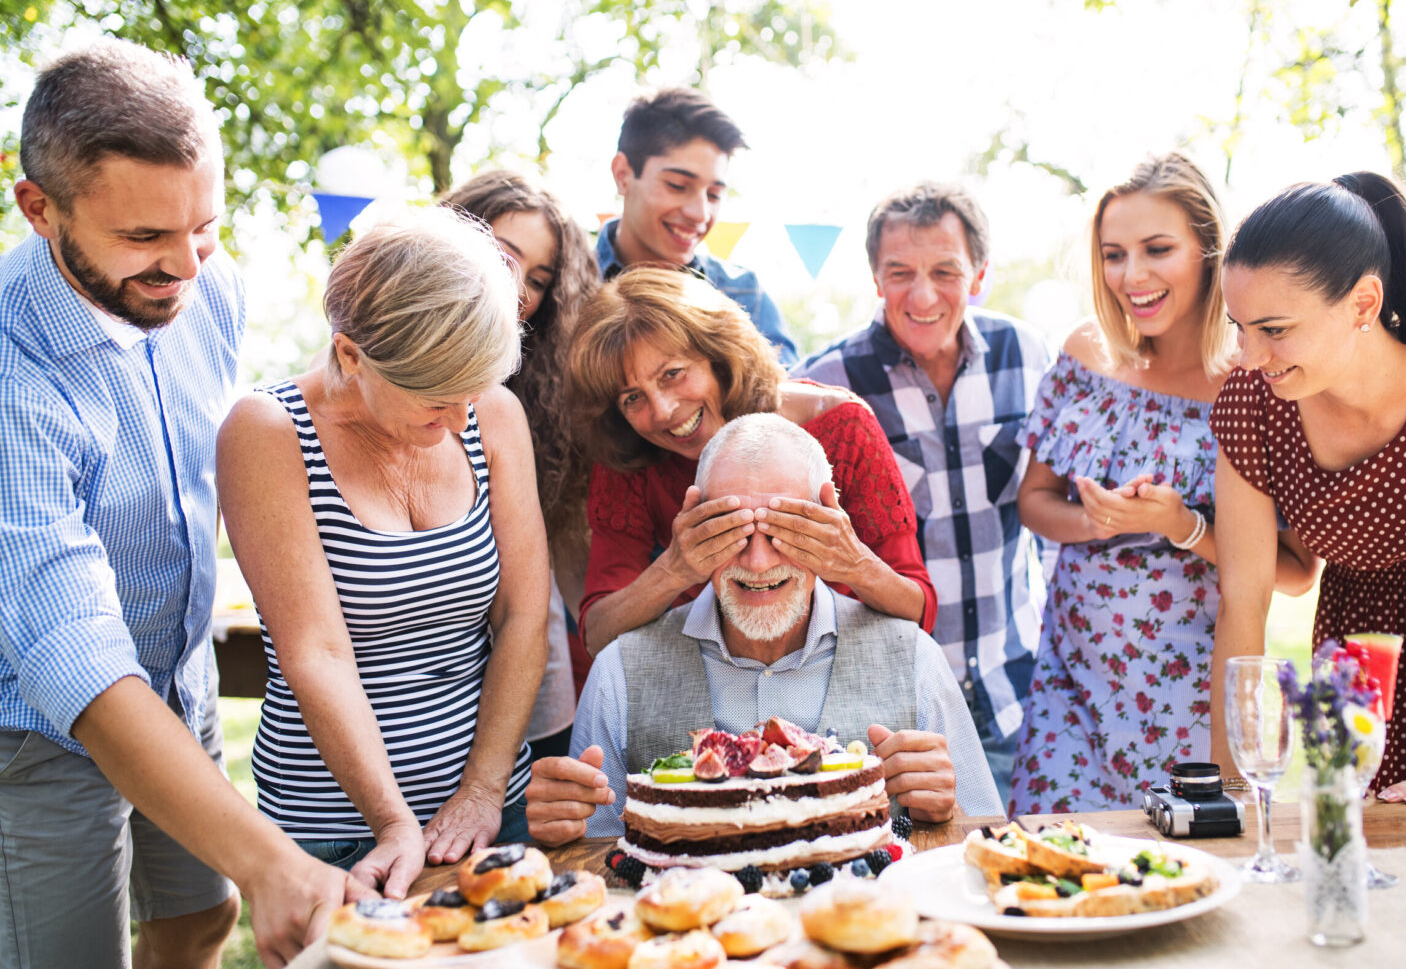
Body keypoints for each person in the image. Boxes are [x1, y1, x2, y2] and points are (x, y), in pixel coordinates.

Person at [0, 39, 361, 968]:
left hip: (180, 677)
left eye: (202, 227)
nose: (186, 269)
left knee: (199, 922)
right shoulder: (12, 372)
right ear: (39, 208)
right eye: (143, 239)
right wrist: (273, 864)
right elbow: (70, 654)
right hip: (41, 721)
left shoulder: (210, 286)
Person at [218, 207, 549, 901]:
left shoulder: (489, 410)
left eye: (471, 394)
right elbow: (316, 653)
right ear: (350, 357)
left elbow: (523, 615)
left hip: (488, 813)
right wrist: (393, 823)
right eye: (435, 401)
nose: (461, 420)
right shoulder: (267, 431)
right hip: (337, 828)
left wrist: (485, 790)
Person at [1006, 154, 1319, 815]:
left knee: (1182, 879)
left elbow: (1293, 573)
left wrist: (1180, 526)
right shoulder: (1085, 355)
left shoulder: (1258, 381)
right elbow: (1034, 502)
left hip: (1191, 702)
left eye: (1157, 250)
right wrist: (1098, 521)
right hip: (1073, 689)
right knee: (1050, 871)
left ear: (1209, 251)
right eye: (1114, 254)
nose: (1133, 276)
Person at [524, 414, 1001, 845]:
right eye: (730, 530)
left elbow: (983, 843)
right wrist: (560, 829)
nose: (757, 562)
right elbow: (594, 852)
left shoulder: (914, 658)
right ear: (692, 520)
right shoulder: (618, 674)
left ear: (828, 518)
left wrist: (945, 811)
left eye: (786, 529)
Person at [1211, 171, 1406, 802]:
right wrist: (1228, 792)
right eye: (1239, 328)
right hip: (1357, 667)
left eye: (1274, 330)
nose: (1249, 357)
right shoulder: (1251, 404)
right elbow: (1242, 603)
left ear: (1363, 302)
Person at [793, 182, 1054, 803]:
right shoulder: (825, 386)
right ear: (875, 279)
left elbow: (1047, 518)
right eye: (900, 273)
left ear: (980, 274)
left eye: (946, 271)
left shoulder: (1027, 353)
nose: (924, 294)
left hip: (1015, 691)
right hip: (891, 711)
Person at [568, 265, 936, 667]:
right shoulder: (631, 454)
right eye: (632, 398)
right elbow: (598, 635)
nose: (663, 410)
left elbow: (919, 611)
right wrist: (674, 569)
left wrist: (854, 564)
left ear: (718, 355)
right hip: (706, 680)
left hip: (849, 672)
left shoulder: (843, 428)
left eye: (673, 374)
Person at [441, 169, 601, 750]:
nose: (518, 290)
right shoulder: (362, 356)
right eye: (504, 256)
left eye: (538, 279)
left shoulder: (533, 398)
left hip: (528, 667)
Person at [597, 86, 798, 364]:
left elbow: (783, 399)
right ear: (623, 175)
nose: (700, 213)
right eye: (678, 186)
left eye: (714, 194)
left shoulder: (743, 295)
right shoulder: (562, 284)